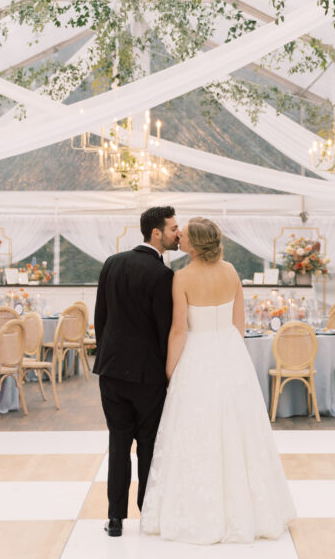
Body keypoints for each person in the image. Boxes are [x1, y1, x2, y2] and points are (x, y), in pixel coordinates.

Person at [140, 217, 296, 544]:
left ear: (195, 244)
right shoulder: (231, 272)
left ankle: (196, 512)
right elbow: (239, 325)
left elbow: (179, 330)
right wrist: (232, 358)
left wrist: (171, 371)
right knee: (239, 431)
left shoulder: (181, 277)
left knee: (196, 429)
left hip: (196, 354)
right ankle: (251, 511)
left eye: (183, 235)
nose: (178, 236)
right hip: (230, 351)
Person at [93, 206, 180, 538]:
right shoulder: (163, 276)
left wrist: (106, 357)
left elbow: (101, 319)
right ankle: (147, 513)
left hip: (111, 371)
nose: (177, 233)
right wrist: (166, 372)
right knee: (147, 445)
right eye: (173, 228)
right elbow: (165, 331)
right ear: (156, 233)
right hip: (148, 376)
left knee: (118, 443)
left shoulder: (112, 263)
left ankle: (115, 519)